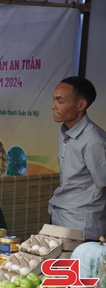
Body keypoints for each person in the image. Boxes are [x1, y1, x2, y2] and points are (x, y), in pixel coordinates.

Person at [49, 76, 106, 241]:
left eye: (60, 101)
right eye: (54, 100)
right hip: (59, 217)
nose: (53, 106)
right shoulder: (65, 130)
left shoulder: (94, 141)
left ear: (81, 105)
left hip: (83, 229)